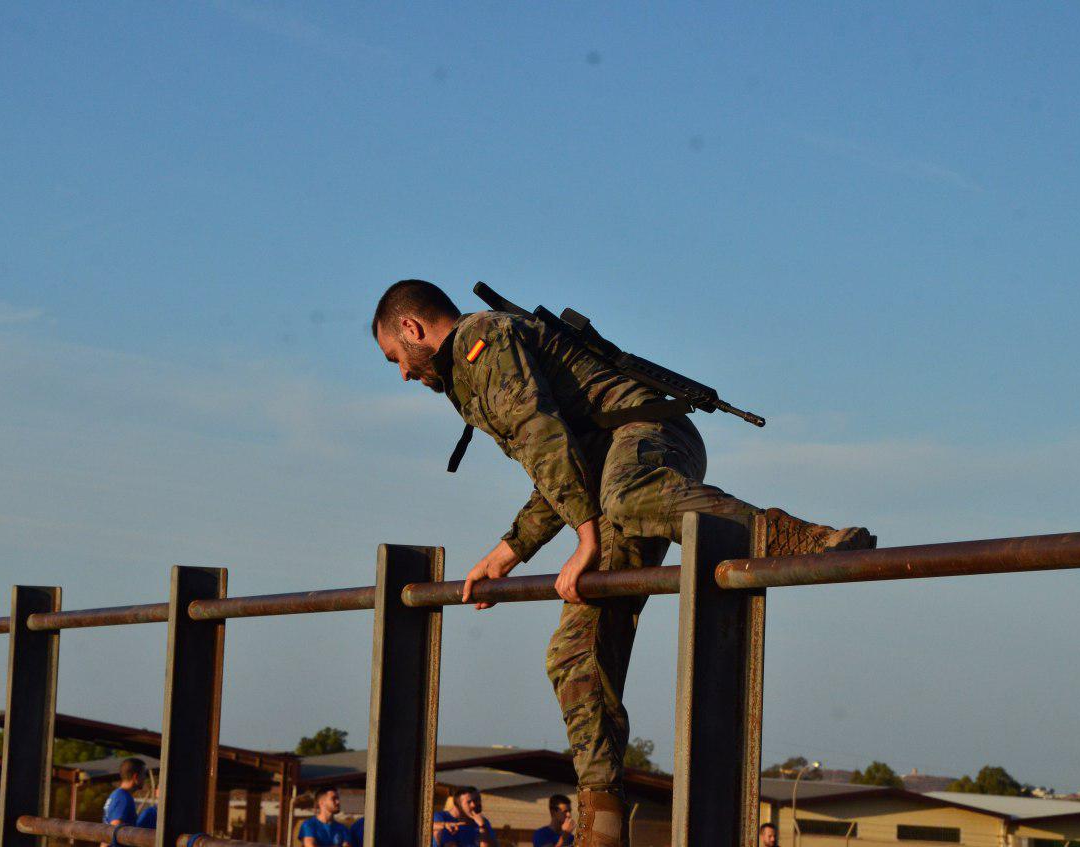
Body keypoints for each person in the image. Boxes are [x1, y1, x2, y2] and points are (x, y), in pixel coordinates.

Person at [372, 280, 874, 847]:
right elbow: (561, 463)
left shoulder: (481, 338)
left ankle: (802, 539)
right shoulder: (468, 374)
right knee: (575, 654)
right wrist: (509, 552)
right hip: (607, 461)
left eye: (395, 358)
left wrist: (585, 538)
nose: (403, 374)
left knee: (627, 496)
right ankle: (601, 824)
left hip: (647, 432)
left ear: (412, 328)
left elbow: (542, 435)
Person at [102, 758, 147, 829]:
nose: (145, 778)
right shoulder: (123, 798)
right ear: (135, 777)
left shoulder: (116, 794)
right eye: (143, 774)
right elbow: (114, 829)